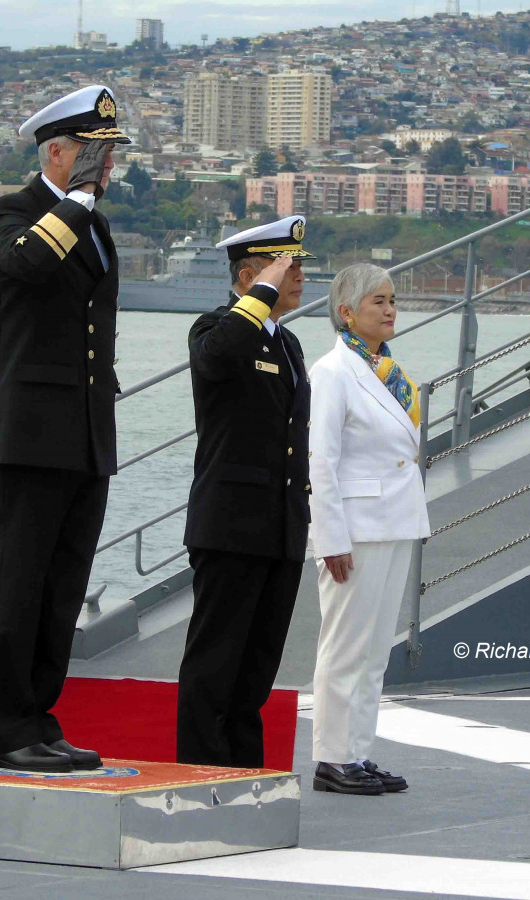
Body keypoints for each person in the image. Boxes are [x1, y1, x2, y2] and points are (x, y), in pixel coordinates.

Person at [0, 85, 130, 772]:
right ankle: (6, 730)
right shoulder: (17, 212)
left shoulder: (93, 226)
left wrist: (84, 207)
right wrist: (78, 201)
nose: (107, 169)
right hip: (31, 433)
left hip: (86, 433)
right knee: (19, 586)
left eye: (111, 156)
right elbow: (27, 265)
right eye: (96, 155)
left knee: (61, 588)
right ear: (57, 151)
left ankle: (40, 718)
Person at [176, 216, 314, 767]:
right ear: (252, 275)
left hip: (279, 528)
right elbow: (217, 359)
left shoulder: (289, 344)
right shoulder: (214, 330)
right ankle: (199, 770)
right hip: (231, 524)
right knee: (215, 662)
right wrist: (257, 297)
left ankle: (242, 769)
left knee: (256, 666)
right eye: (289, 267)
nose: (301, 277)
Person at [307, 264, 430, 795]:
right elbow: (320, 462)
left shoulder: (389, 372)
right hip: (355, 528)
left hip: (395, 519)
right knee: (345, 646)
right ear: (347, 313)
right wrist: (329, 537)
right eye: (377, 300)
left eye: (392, 299)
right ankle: (332, 756)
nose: (389, 308)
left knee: (375, 649)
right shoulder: (333, 372)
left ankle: (357, 751)